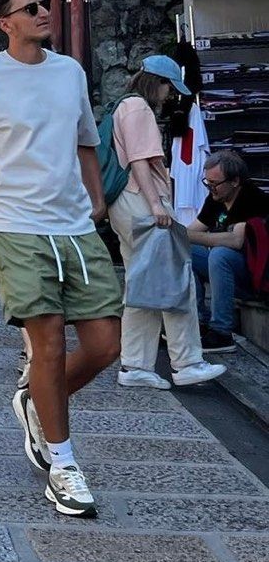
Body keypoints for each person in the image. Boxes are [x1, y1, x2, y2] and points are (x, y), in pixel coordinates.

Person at [0, 0, 122, 519]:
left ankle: (35, 402)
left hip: (75, 227)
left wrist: (96, 199)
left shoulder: (70, 73)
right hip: (15, 225)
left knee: (106, 344)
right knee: (49, 346)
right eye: (30, 7)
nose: (44, 11)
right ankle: (62, 464)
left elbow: (86, 140)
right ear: (5, 23)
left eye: (44, 3)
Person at [106, 57, 226, 389]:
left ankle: (135, 365)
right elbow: (140, 161)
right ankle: (187, 361)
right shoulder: (140, 110)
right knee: (178, 280)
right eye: (169, 88)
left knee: (141, 284)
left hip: (124, 203)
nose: (170, 96)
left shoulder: (122, 106)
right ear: (158, 82)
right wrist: (157, 204)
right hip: (143, 202)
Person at [189, 150, 269, 352]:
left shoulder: (253, 199)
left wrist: (186, 236)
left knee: (220, 253)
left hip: (254, 278)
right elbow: (190, 232)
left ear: (235, 181)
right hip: (228, 272)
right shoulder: (216, 198)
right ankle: (198, 322)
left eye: (215, 183)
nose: (210, 188)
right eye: (207, 182)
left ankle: (222, 332)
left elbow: (235, 240)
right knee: (186, 251)